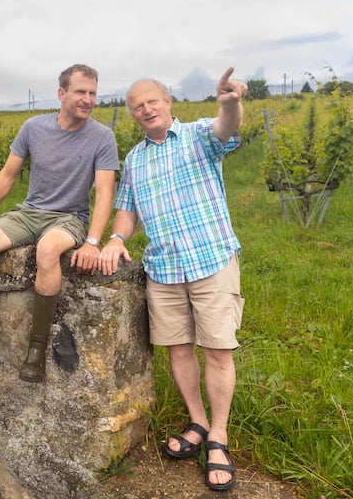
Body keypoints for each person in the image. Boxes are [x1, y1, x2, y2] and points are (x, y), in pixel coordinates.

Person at [98, 67, 246, 492]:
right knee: (179, 351)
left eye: (152, 101)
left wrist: (230, 102)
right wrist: (114, 237)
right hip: (162, 269)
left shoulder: (199, 135)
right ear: (132, 115)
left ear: (168, 102)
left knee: (217, 351)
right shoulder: (135, 159)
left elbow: (226, 129)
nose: (146, 109)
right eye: (136, 106)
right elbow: (126, 210)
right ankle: (197, 422)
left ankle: (218, 434)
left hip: (210, 260)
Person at [0, 63, 119, 383]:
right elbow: (7, 176)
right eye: (81, 92)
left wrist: (93, 241)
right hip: (29, 213)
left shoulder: (102, 137)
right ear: (62, 94)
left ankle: (36, 349)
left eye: (92, 93)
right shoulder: (33, 128)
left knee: (48, 251)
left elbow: (106, 192)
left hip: (68, 218)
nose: (88, 99)